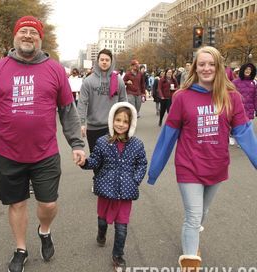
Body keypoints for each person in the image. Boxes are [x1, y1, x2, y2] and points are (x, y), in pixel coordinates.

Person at [0, 15, 86, 272]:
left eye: (33, 33)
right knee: (17, 203)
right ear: (15, 36)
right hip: (9, 153)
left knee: (48, 204)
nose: (27, 36)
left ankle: (44, 230)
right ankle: (21, 249)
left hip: (45, 152)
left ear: (40, 39)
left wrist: (77, 144)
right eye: (23, 31)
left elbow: (68, 110)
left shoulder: (55, 69)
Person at [147, 46, 257, 270]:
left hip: (216, 166)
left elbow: (244, 132)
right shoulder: (182, 97)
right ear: (195, 68)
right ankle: (190, 260)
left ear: (218, 67)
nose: (206, 68)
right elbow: (168, 136)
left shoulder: (231, 97)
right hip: (189, 166)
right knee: (193, 215)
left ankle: (192, 240)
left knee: (201, 214)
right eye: (201, 64)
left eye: (211, 64)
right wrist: (154, 170)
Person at [78, 102, 147, 272]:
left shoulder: (136, 144)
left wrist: (135, 180)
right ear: (112, 120)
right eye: (118, 120)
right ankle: (101, 234)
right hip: (106, 190)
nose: (121, 124)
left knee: (121, 227)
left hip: (125, 193)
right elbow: (95, 161)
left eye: (125, 121)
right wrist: (84, 162)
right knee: (102, 220)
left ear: (131, 124)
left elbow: (142, 164)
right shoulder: (102, 142)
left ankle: (118, 255)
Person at [77, 48, 127, 155]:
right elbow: (82, 103)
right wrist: (81, 123)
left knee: (114, 162)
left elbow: (124, 102)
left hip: (114, 127)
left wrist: (126, 122)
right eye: (102, 59)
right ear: (98, 61)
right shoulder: (88, 81)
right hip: (93, 128)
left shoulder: (118, 80)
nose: (104, 62)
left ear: (111, 62)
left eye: (107, 60)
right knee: (97, 163)